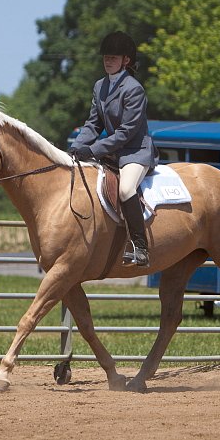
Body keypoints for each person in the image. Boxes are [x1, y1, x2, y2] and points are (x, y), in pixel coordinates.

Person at [68, 31, 159, 267]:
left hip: (135, 151)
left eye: (113, 58)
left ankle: (141, 248)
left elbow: (126, 132)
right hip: (113, 152)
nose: (108, 61)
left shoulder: (133, 89)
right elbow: (93, 123)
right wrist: (77, 146)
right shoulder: (100, 86)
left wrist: (95, 149)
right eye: (106, 57)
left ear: (126, 60)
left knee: (126, 189)